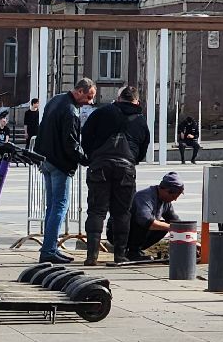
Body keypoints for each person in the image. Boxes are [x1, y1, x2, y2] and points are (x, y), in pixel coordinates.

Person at [80, 84, 150, 266]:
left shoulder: (102, 112)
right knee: (122, 213)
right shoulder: (141, 120)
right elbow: (143, 149)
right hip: (126, 168)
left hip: (100, 166)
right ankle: (119, 255)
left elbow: (85, 136)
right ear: (137, 101)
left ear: (118, 99)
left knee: (96, 210)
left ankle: (91, 257)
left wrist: (93, 156)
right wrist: (133, 160)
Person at [36, 77, 97, 264]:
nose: (90, 101)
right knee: (59, 206)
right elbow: (70, 144)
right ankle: (48, 250)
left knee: (51, 206)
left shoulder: (55, 100)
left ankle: (49, 247)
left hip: (45, 158)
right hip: (59, 163)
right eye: (88, 96)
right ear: (79, 91)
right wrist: (87, 159)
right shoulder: (70, 111)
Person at [126, 172, 186, 263]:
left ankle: (136, 250)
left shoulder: (166, 202)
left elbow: (176, 222)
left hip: (136, 231)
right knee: (156, 224)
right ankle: (133, 252)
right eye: (173, 196)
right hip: (120, 232)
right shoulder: (145, 196)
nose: (174, 199)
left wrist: (190, 241)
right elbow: (146, 220)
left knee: (165, 226)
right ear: (165, 190)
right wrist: (171, 227)